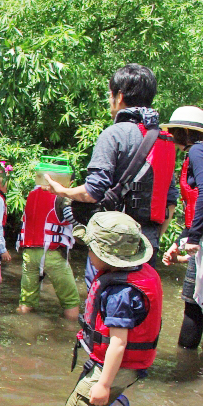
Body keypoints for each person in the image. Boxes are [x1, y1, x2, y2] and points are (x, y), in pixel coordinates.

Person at [45, 63, 178, 266]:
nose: (110, 101)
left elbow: (92, 192)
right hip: (148, 245)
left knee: (105, 295)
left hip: (111, 244)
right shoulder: (166, 141)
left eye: (110, 95)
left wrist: (62, 191)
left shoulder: (114, 134)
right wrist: (152, 238)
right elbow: (170, 202)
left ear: (120, 97)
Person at [65, 212, 162, 406]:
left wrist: (104, 385)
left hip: (117, 366)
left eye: (91, 251)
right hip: (127, 365)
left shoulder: (120, 294)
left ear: (106, 256)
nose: (88, 255)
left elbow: (118, 343)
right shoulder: (138, 273)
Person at [160, 106, 203, 349]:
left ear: (185, 133)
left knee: (193, 305)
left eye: (174, 131)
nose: (171, 136)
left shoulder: (198, 152)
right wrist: (181, 240)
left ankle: (185, 367)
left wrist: (193, 239)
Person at [16, 185, 80, 319]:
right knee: (71, 301)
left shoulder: (32, 193)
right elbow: (71, 217)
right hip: (52, 254)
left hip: (29, 253)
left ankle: (24, 325)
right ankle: (71, 333)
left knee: (26, 301)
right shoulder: (63, 197)